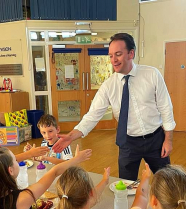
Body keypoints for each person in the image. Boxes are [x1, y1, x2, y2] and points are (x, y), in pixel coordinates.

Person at [53, 33, 176, 181]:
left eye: (118, 54)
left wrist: (168, 140)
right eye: (110, 56)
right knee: (125, 185)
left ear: (131, 53)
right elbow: (92, 116)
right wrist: (71, 136)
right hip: (128, 143)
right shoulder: (108, 86)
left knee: (167, 181)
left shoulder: (152, 75)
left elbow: (166, 107)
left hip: (155, 139)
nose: (113, 60)